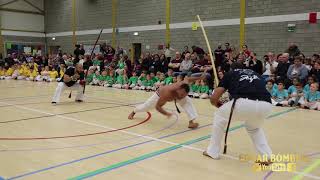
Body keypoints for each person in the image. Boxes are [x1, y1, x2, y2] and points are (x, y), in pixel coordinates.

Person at [204, 63, 273, 163]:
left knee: (219, 116)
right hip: (266, 105)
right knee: (254, 128)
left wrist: (219, 105)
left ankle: (212, 151)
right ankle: (267, 156)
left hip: (244, 102)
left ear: (231, 69)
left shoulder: (230, 74)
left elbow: (213, 99)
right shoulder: (256, 74)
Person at [128, 73, 207, 129]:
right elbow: (158, 107)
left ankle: (191, 122)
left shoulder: (184, 85)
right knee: (146, 106)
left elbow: (188, 78)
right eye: (182, 94)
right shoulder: (167, 93)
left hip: (174, 96)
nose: (182, 96)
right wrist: (166, 113)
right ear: (178, 89)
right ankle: (134, 111)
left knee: (187, 101)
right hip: (159, 96)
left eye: (184, 95)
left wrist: (200, 78)